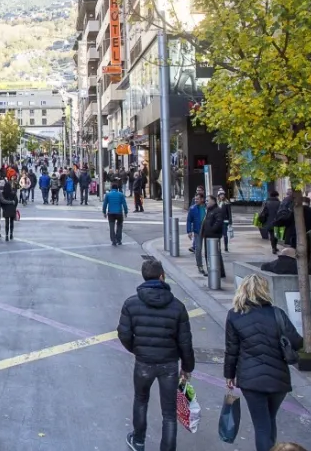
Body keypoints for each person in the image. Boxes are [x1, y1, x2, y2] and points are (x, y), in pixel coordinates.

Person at [117, 258, 195, 451]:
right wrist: (187, 367)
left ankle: (139, 440)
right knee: (169, 412)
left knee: (141, 400)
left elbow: (124, 333)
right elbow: (185, 341)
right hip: (169, 364)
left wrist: (137, 349)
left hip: (144, 361)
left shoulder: (131, 304)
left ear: (144, 277)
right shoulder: (177, 306)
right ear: (162, 276)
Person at [225, 275, 303, 451]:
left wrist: (229, 375)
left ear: (242, 290)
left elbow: (232, 350)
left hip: (251, 380)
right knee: (269, 420)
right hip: (278, 379)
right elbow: (297, 342)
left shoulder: (235, 315)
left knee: (261, 425)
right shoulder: (277, 313)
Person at [103, 180, 129, 246]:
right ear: (117, 188)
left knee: (111, 227)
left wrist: (104, 212)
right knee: (119, 226)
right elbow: (124, 204)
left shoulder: (108, 195)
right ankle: (119, 239)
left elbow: (105, 204)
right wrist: (126, 212)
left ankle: (113, 240)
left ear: (111, 188)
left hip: (111, 213)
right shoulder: (121, 195)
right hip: (119, 213)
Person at [256, 189, 282, 254]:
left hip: (268, 221)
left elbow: (262, 212)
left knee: (271, 234)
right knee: (275, 235)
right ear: (276, 196)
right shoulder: (279, 203)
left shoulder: (266, 202)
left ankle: (274, 247)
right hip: (277, 221)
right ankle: (274, 247)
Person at [187, 194, 206, 275]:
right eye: (195, 199)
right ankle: (200, 266)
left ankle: (210, 265)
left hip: (208, 231)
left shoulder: (207, 207)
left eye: (197, 199)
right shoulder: (192, 208)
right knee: (198, 249)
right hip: (198, 231)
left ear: (202, 199)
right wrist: (189, 231)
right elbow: (189, 220)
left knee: (209, 249)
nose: (196, 200)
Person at [218, 188, 234, 253]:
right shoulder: (217, 202)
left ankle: (226, 247)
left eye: (223, 194)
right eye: (221, 195)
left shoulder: (227, 203)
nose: (222, 196)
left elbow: (229, 213)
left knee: (225, 234)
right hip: (218, 221)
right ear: (218, 195)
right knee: (218, 235)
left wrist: (230, 221)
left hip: (225, 221)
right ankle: (218, 247)